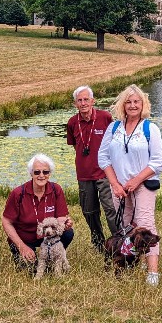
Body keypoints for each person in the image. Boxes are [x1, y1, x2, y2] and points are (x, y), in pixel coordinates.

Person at [98, 84, 162, 286]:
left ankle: (152, 273)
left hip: (142, 185)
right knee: (125, 227)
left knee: (145, 226)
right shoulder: (114, 128)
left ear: (143, 104)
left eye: (136, 101)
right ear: (123, 105)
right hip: (118, 187)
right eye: (128, 101)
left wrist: (136, 180)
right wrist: (115, 183)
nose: (132, 105)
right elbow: (103, 157)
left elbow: (158, 161)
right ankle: (128, 263)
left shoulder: (149, 129)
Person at [65, 85, 119, 252]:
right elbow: (75, 145)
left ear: (93, 101)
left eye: (86, 99)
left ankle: (118, 242)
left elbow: (115, 143)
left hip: (105, 173)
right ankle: (98, 243)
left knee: (111, 209)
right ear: (75, 104)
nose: (83, 103)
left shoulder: (105, 117)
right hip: (84, 174)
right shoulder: (73, 122)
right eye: (79, 100)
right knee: (89, 211)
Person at [1, 154, 75, 271]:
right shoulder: (18, 193)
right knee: (29, 269)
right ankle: (28, 255)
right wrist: (22, 247)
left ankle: (53, 256)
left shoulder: (56, 190)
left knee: (68, 233)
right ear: (31, 173)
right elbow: (6, 221)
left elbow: (61, 217)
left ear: (49, 173)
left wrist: (65, 224)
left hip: (48, 236)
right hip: (25, 238)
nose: (41, 176)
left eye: (45, 172)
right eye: (37, 172)